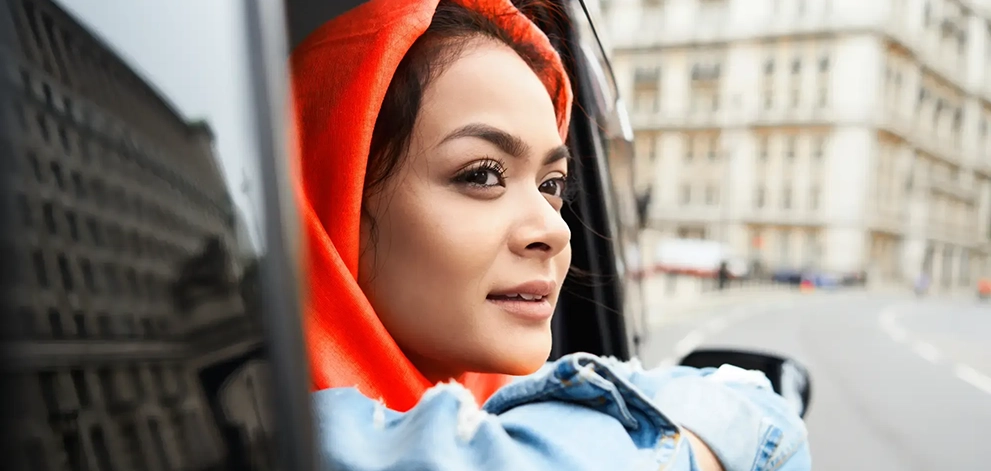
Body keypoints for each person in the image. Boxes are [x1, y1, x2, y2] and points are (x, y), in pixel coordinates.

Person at [290, 0, 811, 469]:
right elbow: (760, 416)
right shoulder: (287, 431)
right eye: (482, 175)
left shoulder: (494, 400)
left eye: (551, 185)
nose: (555, 230)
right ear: (336, 195)